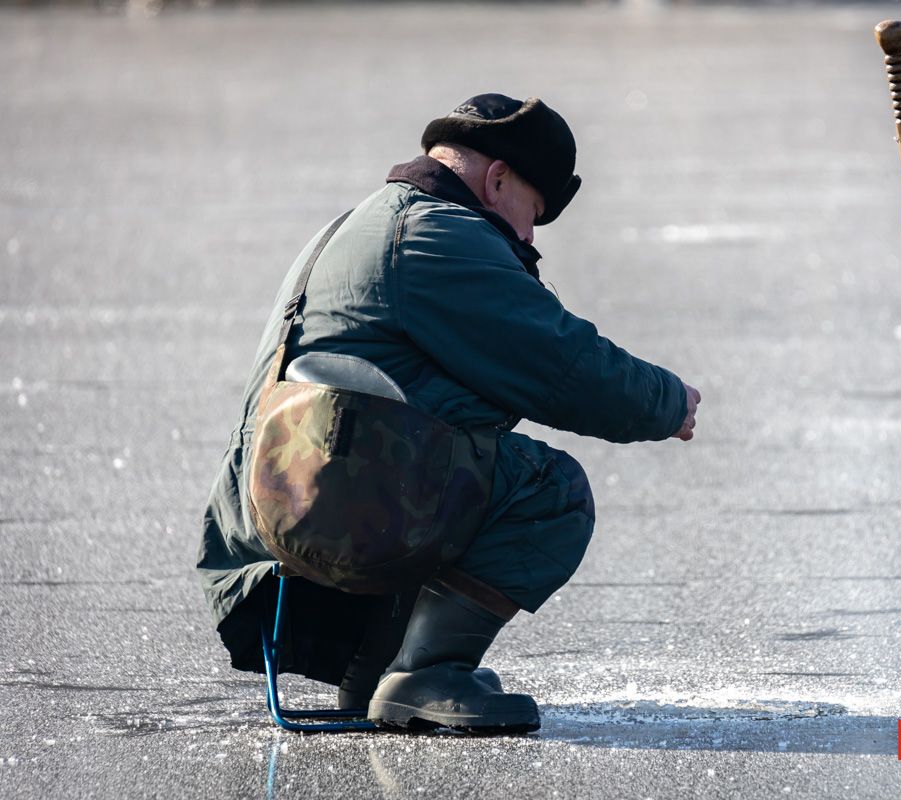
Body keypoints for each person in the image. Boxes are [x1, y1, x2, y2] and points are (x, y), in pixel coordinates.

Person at [196, 93, 700, 733]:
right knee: (549, 488)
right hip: (332, 514)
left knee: (446, 440)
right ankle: (426, 671)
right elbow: (561, 365)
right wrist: (666, 401)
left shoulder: (360, 224)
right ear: (497, 180)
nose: (529, 237)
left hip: (264, 524)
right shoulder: (437, 234)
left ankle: (376, 670)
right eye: (533, 214)